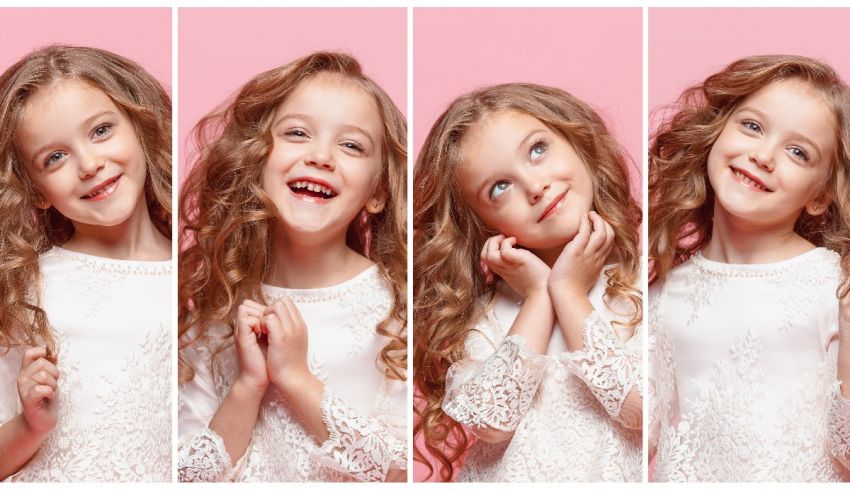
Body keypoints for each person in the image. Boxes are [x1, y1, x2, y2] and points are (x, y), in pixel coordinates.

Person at [177, 51, 407, 482]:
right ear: (254, 161)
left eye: (352, 145)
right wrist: (248, 385)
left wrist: (295, 377)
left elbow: (398, 475)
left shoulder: (395, 310)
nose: (321, 156)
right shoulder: (215, 306)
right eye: (298, 133)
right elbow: (190, 477)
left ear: (377, 192)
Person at [413, 83, 643, 482]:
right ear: (483, 225)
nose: (535, 187)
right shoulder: (486, 314)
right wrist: (539, 296)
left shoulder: (641, 286)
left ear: (579, 143)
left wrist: (568, 293)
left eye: (538, 150)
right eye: (500, 187)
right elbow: (492, 422)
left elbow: (638, 408)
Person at [649, 54, 850, 482]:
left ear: (819, 197)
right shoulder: (665, 292)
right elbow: (643, 434)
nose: (763, 155)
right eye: (753, 126)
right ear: (716, 134)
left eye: (798, 152)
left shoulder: (835, 288)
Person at [0, 45, 172, 482]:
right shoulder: (28, 291)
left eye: (100, 131)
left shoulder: (197, 276)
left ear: (140, 127)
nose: (90, 164)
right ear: (36, 190)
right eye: (54, 157)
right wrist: (30, 425)